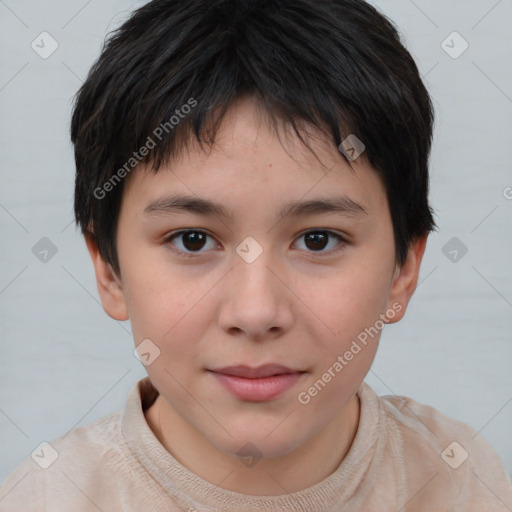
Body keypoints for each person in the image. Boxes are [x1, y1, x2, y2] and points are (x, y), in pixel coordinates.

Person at [1, 0, 511, 510]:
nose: (256, 312)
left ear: (403, 269)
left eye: (318, 239)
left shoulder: (460, 478)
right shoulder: (47, 498)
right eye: (193, 240)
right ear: (109, 270)